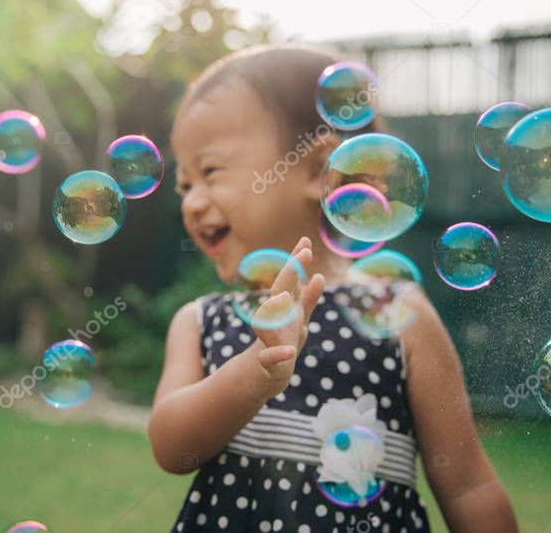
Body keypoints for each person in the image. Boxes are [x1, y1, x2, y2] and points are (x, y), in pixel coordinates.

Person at [149, 45, 518, 532]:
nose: (193, 203)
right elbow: (172, 448)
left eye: (210, 173)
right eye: (184, 185)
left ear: (317, 170)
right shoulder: (200, 321)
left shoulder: (399, 314)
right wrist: (257, 373)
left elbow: (467, 485)